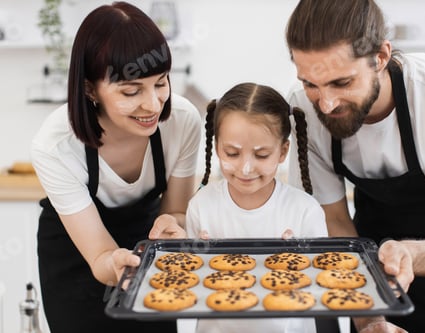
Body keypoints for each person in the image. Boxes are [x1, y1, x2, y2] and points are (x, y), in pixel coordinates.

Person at [285, 0, 425, 332]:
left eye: (342, 83)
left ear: (381, 57)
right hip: (369, 260)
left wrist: (409, 254)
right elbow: (335, 223)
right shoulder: (303, 112)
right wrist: (369, 318)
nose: (325, 104)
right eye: (310, 84)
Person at [30, 2, 201, 333]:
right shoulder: (56, 146)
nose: (152, 105)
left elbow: (177, 210)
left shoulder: (182, 122)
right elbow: (100, 256)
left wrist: (173, 227)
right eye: (131, 91)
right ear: (90, 88)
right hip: (76, 255)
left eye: (161, 82)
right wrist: (114, 262)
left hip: (148, 241)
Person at [175, 82, 328, 333]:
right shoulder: (201, 206)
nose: (246, 168)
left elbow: (323, 285)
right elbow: (191, 286)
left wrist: (298, 265)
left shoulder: (305, 211)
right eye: (232, 153)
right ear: (216, 148)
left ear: (282, 151)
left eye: (261, 155)